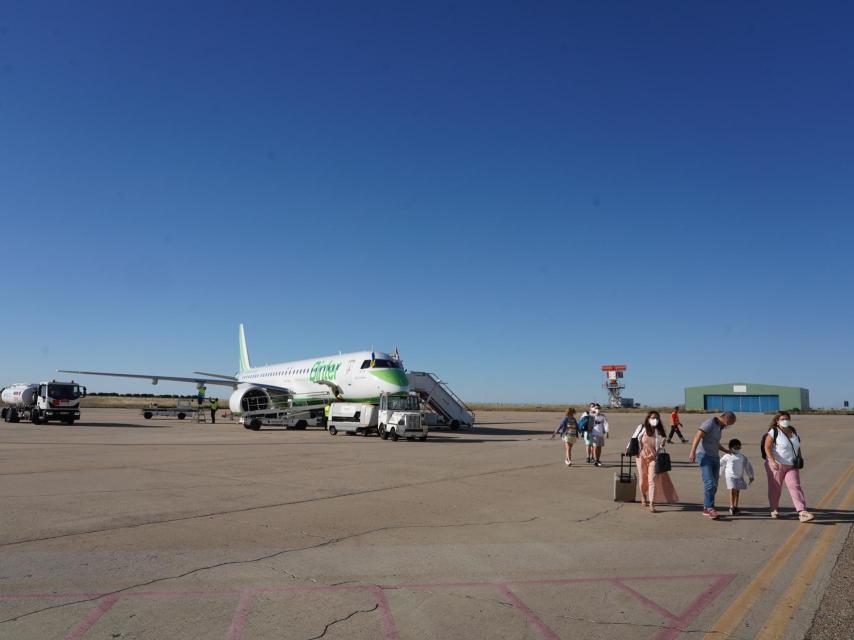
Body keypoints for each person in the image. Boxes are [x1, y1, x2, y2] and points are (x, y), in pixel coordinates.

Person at [764, 411, 814, 522]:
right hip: (777, 464)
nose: (785, 421)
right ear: (777, 421)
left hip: (792, 465)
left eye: (786, 418)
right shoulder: (774, 432)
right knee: (775, 488)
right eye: (782, 419)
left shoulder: (793, 431)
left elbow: (797, 446)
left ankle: (802, 512)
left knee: (795, 486)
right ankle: (774, 509)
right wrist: (772, 461)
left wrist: (799, 458)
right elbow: (767, 447)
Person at [688, 411, 736, 520]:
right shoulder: (709, 423)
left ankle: (707, 506)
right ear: (726, 419)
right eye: (730, 423)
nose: (728, 426)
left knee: (714, 484)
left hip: (714, 456)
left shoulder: (719, 427)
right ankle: (710, 508)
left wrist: (725, 450)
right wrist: (692, 452)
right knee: (709, 482)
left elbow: (715, 442)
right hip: (704, 456)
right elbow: (698, 436)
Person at [630, 411, 680, 512]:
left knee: (652, 480)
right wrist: (629, 450)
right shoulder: (642, 428)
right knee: (643, 480)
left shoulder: (660, 432)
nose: (655, 420)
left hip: (654, 458)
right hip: (641, 457)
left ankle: (651, 503)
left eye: (657, 418)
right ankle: (643, 495)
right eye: (653, 418)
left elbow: (661, 447)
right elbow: (633, 439)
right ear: (648, 418)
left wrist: (662, 443)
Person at [719, 438, 754, 515]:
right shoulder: (727, 456)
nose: (738, 449)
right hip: (730, 476)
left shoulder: (742, 456)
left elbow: (747, 466)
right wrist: (718, 474)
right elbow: (720, 464)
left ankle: (736, 507)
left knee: (737, 492)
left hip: (739, 476)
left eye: (739, 447)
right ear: (730, 448)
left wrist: (751, 476)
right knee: (732, 490)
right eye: (736, 448)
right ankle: (731, 507)